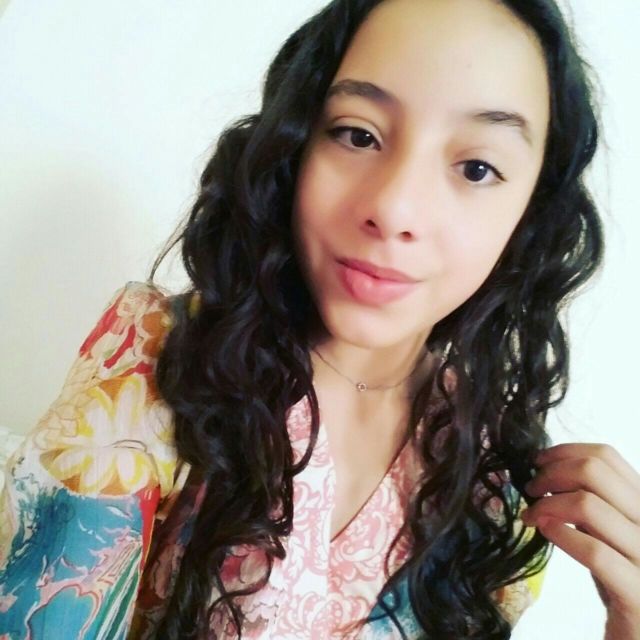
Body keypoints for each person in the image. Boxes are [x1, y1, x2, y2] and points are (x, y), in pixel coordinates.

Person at [1, 0, 639, 637]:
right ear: (296, 144)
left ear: (530, 216)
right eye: (358, 134)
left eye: (477, 168)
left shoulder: (495, 482)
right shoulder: (157, 359)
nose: (394, 209)